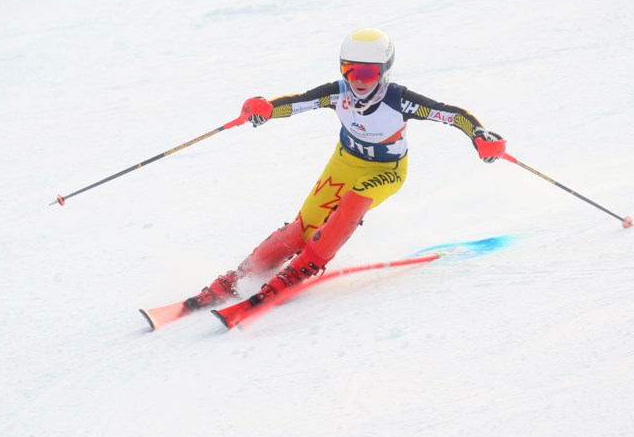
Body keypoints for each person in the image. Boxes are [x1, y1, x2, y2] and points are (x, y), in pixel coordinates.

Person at [185, 28, 507, 316]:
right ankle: (241, 276)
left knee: (354, 201)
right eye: (349, 70)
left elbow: (451, 114)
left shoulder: (400, 100)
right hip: (344, 161)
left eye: (367, 72)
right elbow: (298, 102)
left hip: (387, 170)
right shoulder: (338, 92)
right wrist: (266, 109)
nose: (357, 80)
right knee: (302, 229)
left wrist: (479, 135)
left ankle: (301, 269)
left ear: (384, 72)